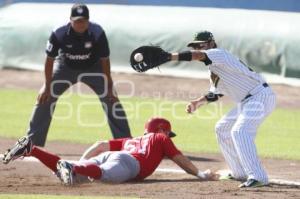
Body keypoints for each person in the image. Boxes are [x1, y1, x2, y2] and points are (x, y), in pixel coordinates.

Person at [168, 31, 276, 188]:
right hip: (249, 101)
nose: (198, 47)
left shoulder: (218, 54)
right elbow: (216, 93)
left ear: (211, 43)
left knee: (240, 131)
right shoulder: (214, 69)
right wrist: (198, 102)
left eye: (201, 44)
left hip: (261, 96)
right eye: (195, 45)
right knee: (222, 128)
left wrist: (169, 57)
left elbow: (197, 55)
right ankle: (239, 172)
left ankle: (258, 176)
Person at [26, 3, 131, 146]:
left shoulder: (97, 32)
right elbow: (49, 60)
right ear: (70, 20)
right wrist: (47, 85)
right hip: (65, 67)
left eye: (83, 20)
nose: (80, 24)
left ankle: (125, 142)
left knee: (111, 98)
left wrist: (109, 86)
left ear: (88, 20)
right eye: (76, 21)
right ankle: (31, 143)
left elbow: (105, 61)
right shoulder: (59, 33)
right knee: (44, 97)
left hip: (93, 68)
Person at [3, 117, 219, 185]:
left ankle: (32, 149)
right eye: (168, 133)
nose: (168, 138)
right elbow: (180, 159)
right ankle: (72, 167)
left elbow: (100, 145)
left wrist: (82, 161)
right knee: (104, 176)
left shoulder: (131, 140)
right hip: (127, 163)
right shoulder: (160, 137)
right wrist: (200, 174)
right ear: (162, 130)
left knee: (70, 179)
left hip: (109, 157)